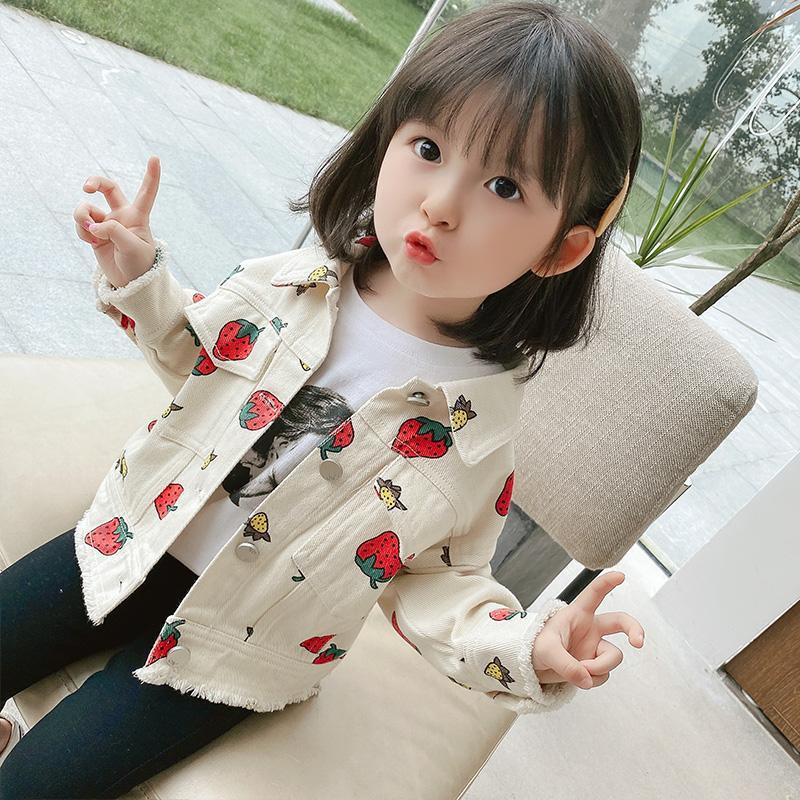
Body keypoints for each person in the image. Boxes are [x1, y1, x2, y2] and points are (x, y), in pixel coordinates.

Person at [0, 2, 646, 796]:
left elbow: (439, 584)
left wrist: (528, 647)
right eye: (428, 148)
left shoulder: (472, 437)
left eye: (504, 186)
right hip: (135, 535)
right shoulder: (292, 284)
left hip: (243, 646)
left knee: (35, 784)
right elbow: (201, 362)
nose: (441, 203)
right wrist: (140, 276)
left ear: (562, 249)